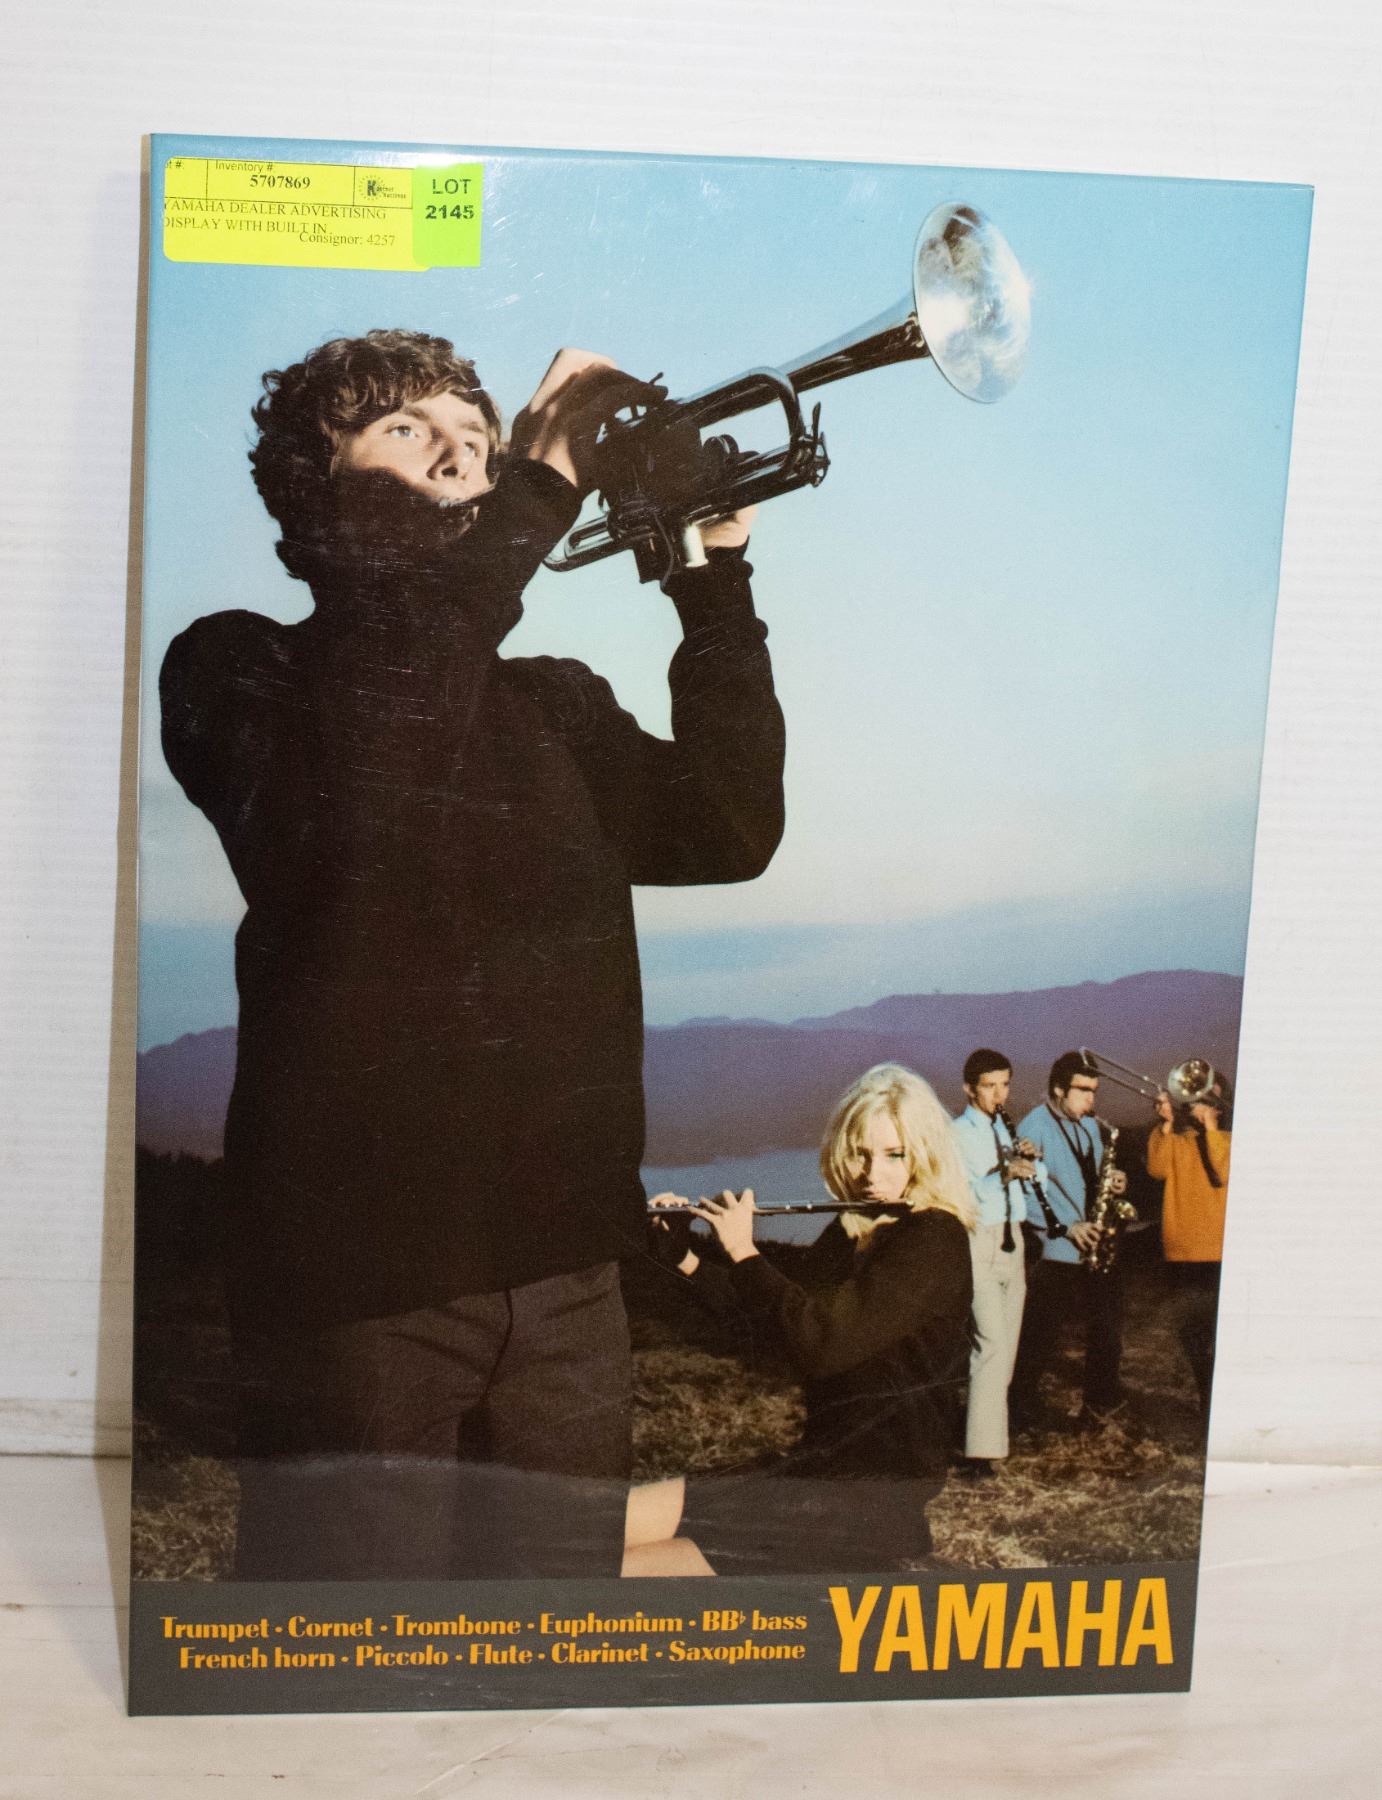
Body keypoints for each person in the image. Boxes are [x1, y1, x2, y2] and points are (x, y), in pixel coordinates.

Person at [159, 330, 786, 1581]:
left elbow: (729, 828)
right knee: (349, 1661)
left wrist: (710, 577)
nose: (460, 452)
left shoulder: (554, 699)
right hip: (356, 1294)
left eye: (478, 435)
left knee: (541, 1657)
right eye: (406, 428)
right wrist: (540, 480)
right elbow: (379, 753)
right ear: (312, 483)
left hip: (569, 1286)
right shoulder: (237, 667)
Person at [626, 1064, 976, 1576]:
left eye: (894, 1154)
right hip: (813, 1475)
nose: (871, 1174)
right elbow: (774, 1317)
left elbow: (821, 1342)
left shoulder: (934, 1239)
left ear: (925, 1155)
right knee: (606, 1528)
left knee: (625, 1569)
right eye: (859, 1153)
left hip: (865, 1508)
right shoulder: (855, 1231)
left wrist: (743, 1251)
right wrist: (684, 1256)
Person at [1011, 1050, 1131, 1433]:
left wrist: (1115, 1180)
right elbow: (1026, 1195)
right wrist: (1066, 1227)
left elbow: (1094, 1175)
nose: (1091, 1100)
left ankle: (1101, 1401)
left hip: (1096, 1242)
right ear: (1059, 1089)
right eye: (1083, 1091)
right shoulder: (1034, 1126)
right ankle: (1018, 1410)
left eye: (1094, 1091)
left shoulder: (1090, 1125)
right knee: (1040, 1335)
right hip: (1060, 1246)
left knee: (1107, 1329)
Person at [949, 1048, 1041, 1478]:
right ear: (970, 1089)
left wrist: (1032, 1163)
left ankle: (980, 1433)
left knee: (1007, 1347)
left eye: (1005, 1085)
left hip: (1012, 1239)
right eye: (990, 1086)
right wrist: (1000, 1175)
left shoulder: (1006, 1129)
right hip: (979, 1239)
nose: (1000, 1095)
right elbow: (961, 1196)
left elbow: (1036, 1184)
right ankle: (979, 1456)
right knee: (990, 1344)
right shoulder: (956, 1134)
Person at [1147, 1077, 1232, 1417]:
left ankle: (1221, 1400)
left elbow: (1222, 1171)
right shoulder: (1178, 1141)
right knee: (1193, 1336)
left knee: (1219, 1335)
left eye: (1209, 1100)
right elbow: (1156, 1169)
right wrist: (1166, 1123)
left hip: (1220, 1252)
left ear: (1220, 1108)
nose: (1199, 1104)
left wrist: (1211, 1128)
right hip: (1182, 1253)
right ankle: (1208, 1396)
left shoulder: (1229, 1140)